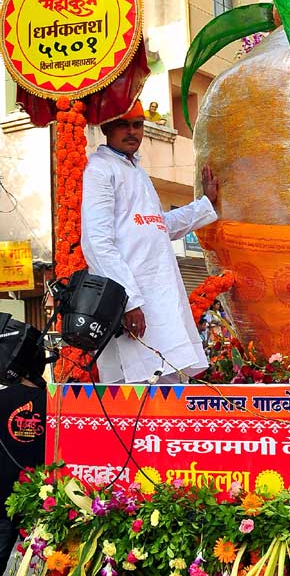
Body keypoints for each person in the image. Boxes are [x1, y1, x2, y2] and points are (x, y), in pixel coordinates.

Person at [81, 100, 219, 384]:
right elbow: (97, 242)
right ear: (107, 126)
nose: (133, 132)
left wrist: (205, 204)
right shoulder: (100, 170)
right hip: (133, 304)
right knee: (136, 394)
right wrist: (129, 301)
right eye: (124, 124)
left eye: (138, 125)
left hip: (160, 299)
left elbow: (158, 225)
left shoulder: (137, 171)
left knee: (168, 385)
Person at [0, 378, 46, 576]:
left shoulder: (3, 397)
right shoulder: (52, 401)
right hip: (41, 498)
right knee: (52, 564)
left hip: (3, 496)